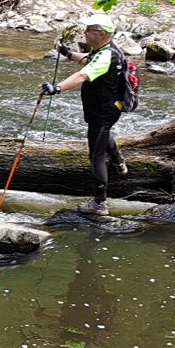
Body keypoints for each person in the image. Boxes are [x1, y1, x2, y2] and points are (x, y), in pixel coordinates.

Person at [39, 12, 130, 217]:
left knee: (96, 156)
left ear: (101, 34)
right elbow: (86, 61)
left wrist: (57, 88)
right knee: (103, 134)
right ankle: (119, 163)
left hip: (102, 111)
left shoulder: (106, 55)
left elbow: (82, 75)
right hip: (110, 108)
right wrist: (66, 52)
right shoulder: (108, 50)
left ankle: (100, 204)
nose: (85, 33)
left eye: (89, 31)